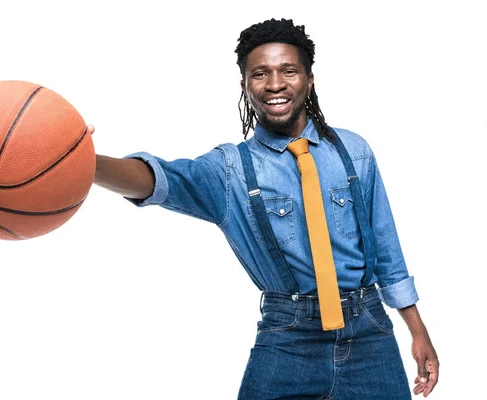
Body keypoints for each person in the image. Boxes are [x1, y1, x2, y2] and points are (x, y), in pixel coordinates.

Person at [90, 18, 439, 399]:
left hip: (369, 331)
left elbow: (387, 251)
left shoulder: (354, 151)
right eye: (261, 74)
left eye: (288, 70)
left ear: (309, 78)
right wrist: (85, 165)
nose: (275, 84)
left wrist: (418, 332)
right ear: (244, 85)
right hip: (289, 337)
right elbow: (160, 179)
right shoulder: (230, 170)